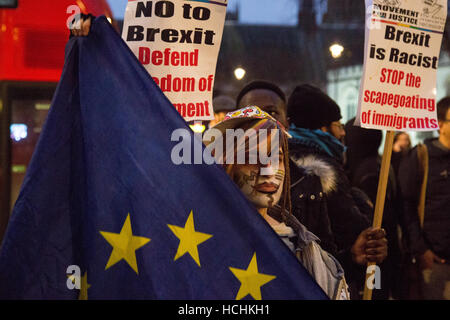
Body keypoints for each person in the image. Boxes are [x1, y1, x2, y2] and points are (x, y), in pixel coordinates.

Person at [205, 105, 350, 299]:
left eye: (277, 158)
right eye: (252, 157)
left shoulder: (307, 250)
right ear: (226, 165)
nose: (268, 171)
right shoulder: (200, 241)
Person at [285, 84, 387, 299]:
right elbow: (357, 231)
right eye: (338, 125)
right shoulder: (324, 170)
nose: (343, 132)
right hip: (327, 282)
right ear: (323, 129)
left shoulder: (280, 161)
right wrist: (362, 204)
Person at [344, 118, 403, 299]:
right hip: (376, 255)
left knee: (374, 291)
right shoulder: (375, 164)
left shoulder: (368, 172)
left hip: (374, 259)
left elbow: (379, 220)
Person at [398, 97, 450, 300]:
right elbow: (406, 206)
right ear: (441, 126)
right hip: (435, 263)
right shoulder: (422, 157)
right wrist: (421, 249)